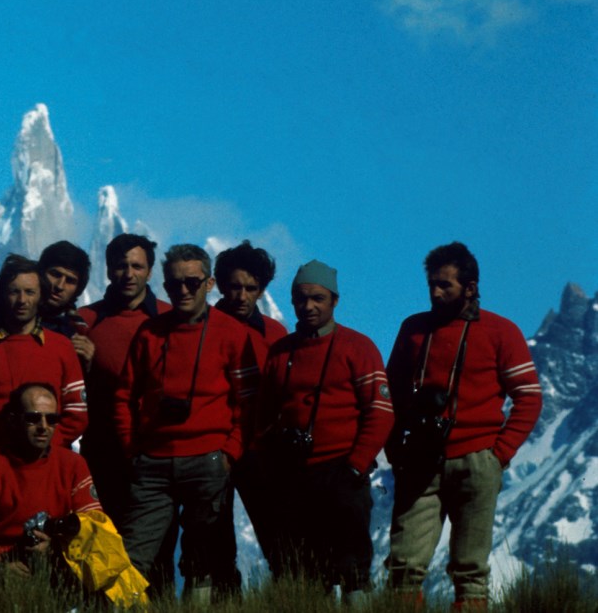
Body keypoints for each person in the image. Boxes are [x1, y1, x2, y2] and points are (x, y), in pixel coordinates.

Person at [385, 242, 542, 609]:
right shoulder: (413, 328)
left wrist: (497, 455)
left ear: (470, 287)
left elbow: (529, 397)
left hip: (477, 459)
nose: (436, 293)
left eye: (446, 285)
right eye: (432, 285)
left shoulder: (502, 332)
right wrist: (395, 447)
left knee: (471, 573)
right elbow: (391, 392)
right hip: (420, 458)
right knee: (403, 567)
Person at [113, 244, 254, 600]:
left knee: (201, 558)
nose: (183, 290)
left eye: (192, 282)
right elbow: (124, 396)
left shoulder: (232, 333)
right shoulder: (149, 334)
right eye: (174, 284)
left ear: (209, 284)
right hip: (152, 462)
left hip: (208, 461)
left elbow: (249, 403)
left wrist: (230, 452)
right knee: (132, 556)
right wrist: (132, 449)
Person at [254, 259, 393, 599]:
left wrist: (356, 466)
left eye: (317, 298)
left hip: (343, 473)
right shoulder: (281, 352)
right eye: (301, 299)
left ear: (334, 300)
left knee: (352, 570)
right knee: (302, 572)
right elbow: (263, 415)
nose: (309, 306)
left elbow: (381, 411)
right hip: (293, 476)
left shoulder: (358, 348)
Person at [0, 254, 88, 472]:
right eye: (14, 291)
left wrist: (45, 445)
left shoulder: (61, 347)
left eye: (30, 292)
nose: (22, 300)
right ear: (2, 296)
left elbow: (77, 410)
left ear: (41, 296)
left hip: (47, 464)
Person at [0, 383, 101, 574]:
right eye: (33, 418)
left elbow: (96, 525)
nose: (43, 427)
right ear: (14, 420)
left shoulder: (73, 465)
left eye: (52, 419)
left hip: (61, 567)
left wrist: (57, 548)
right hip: (3, 567)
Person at [77, 234, 170, 524]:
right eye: (121, 266)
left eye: (137, 266)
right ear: (108, 270)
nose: (129, 274)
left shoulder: (171, 317)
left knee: (157, 532)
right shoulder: (86, 319)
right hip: (103, 443)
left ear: (150, 271)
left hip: (158, 441)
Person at [212, 240, 286, 568]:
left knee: (277, 535)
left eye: (251, 288)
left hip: (262, 450)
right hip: (213, 446)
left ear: (262, 290)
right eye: (234, 287)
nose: (241, 296)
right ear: (222, 286)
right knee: (213, 539)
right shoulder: (203, 327)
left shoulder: (275, 334)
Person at [0, 241, 95, 371]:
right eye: (55, 274)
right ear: (40, 273)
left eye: (70, 281)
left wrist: (87, 366)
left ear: (78, 289)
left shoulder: (72, 333)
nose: (59, 286)